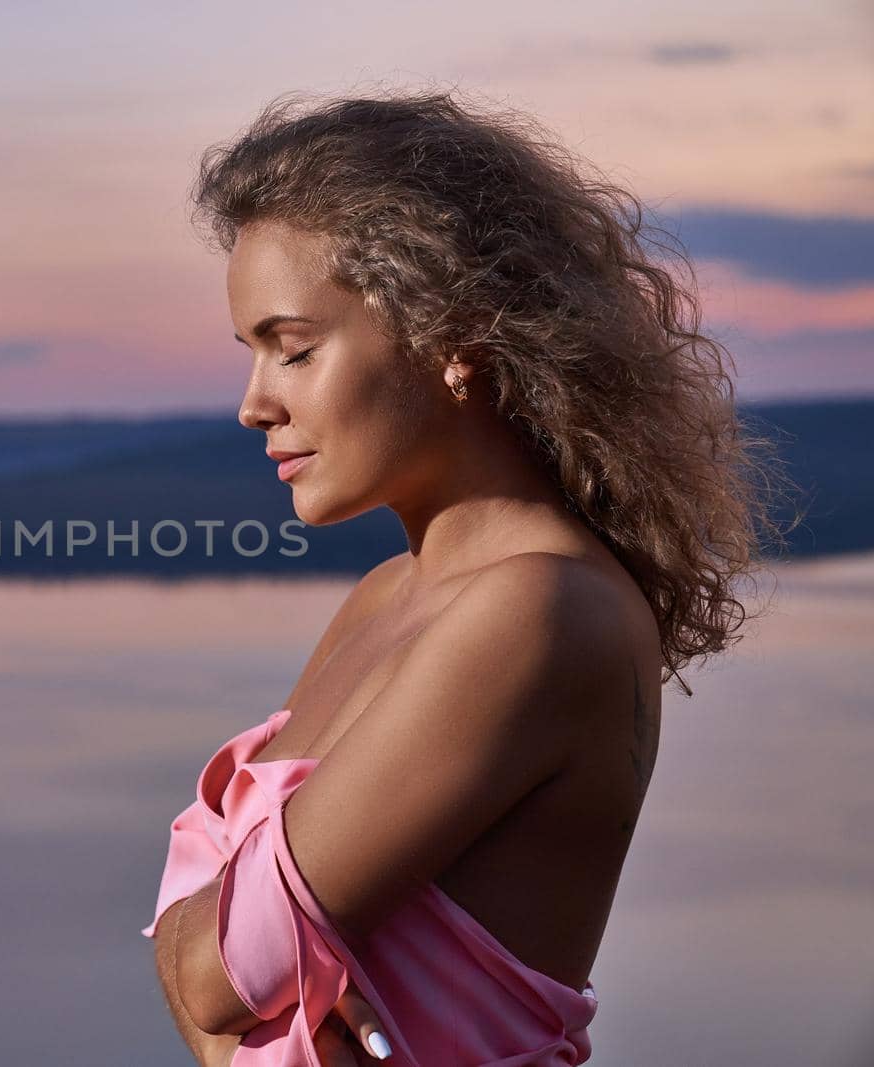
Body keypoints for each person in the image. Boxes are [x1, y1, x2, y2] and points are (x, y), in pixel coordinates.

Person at [143, 87, 798, 1066]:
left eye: (293, 349)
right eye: (251, 356)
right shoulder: (386, 597)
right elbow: (211, 974)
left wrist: (238, 971)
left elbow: (206, 968)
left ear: (453, 335)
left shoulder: (536, 609)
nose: (252, 405)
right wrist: (243, 982)